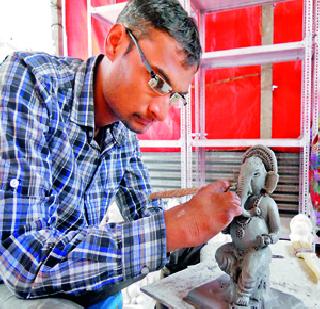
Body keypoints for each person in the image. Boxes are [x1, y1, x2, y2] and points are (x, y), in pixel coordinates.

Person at [0, 0, 242, 307]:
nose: (161, 112)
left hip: (71, 278)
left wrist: (206, 221)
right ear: (115, 42)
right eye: (156, 80)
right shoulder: (31, 82)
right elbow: (22, 262)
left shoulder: (123, 126)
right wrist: (175, 227)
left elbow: (145, 212)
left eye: (174, 95)